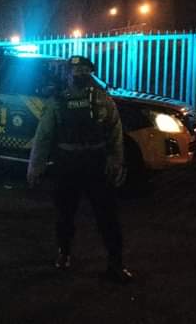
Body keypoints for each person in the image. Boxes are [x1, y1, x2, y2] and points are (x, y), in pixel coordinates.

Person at [26, 55, 133, 284]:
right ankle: (64, 253)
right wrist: (35, 166)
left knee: (107, 216)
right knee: (65, 214)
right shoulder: (57, 101)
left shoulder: (102, 100)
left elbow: (115, 132)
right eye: (75, 70)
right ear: (68, 74)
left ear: (90, 72)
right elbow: (43, 136)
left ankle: (116, 263)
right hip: (68, 164)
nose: (79, 73)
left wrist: (116, 161)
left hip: (96, 163)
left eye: (84, 70)